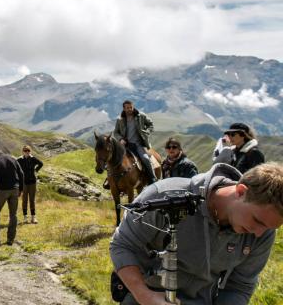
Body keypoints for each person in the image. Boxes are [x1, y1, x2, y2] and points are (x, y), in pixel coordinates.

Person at [110, 162, 283, 304]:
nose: (258, 233)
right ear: (241, 192)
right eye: (257, 221)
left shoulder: (263, 232)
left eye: (269, 227)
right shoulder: (163, 197)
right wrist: (144, 295)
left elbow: (239, 286)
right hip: (145, 296)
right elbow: (122, 245)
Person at [113, 100, 157, 185]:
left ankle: (153, 178)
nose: (130, 109)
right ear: (124, 108)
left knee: (145, 159)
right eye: (127, 108)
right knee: (114, 159)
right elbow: (115, 132)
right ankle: (110, 181)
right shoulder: (120, 119)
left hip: (138, 145)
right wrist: (120, 139)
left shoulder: (141, 116)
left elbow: (151, 125)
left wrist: (146, 132)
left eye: (131, 107)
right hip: (125, 146)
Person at [0, 144, 24, 246]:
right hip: (15, 190)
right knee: (13, 215)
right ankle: (10, 240)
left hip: (1, 191)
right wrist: (21, 189)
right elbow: (21, 174)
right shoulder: (13, 159)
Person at [16, 145, 43, 224]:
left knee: (32, 200)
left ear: (30, 151)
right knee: (24, 200)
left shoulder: (33, 159)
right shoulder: (19, 160)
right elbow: (15, 167)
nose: (27, 152)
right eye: (25, 151)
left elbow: (41, 163)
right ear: (23, 151)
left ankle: (33, 217)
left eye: (28, 150)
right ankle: (25, 217)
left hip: (32, 182)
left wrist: (36, 170)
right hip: (24, 183)